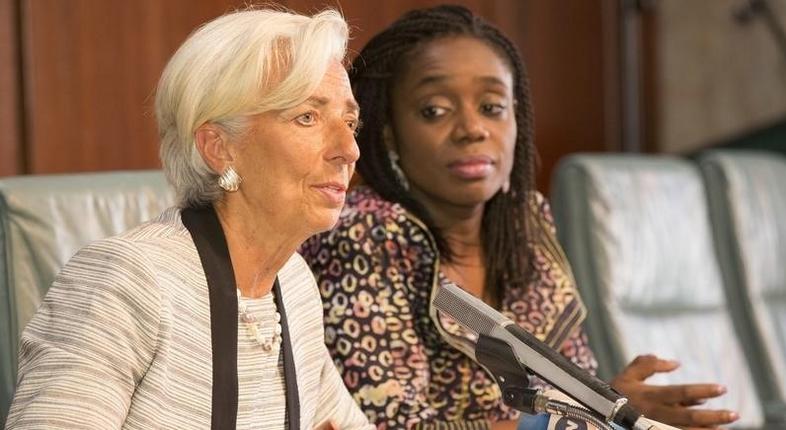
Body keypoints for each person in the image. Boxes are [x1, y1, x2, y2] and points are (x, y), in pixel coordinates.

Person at [300, 5, 738, 430]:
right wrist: (583, 421)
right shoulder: (361, 234)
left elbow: (569, 392)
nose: (473, 129)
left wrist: (610, 410)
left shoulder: (524, 225)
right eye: (435, 110)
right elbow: (387, 424)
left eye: (492, 107)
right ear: (387, 132)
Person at [6, 7, 373, 430]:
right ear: (218, 147)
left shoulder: (292, 282)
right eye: (306, 117)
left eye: (349, 121)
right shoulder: (127, 279)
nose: (348, 149)